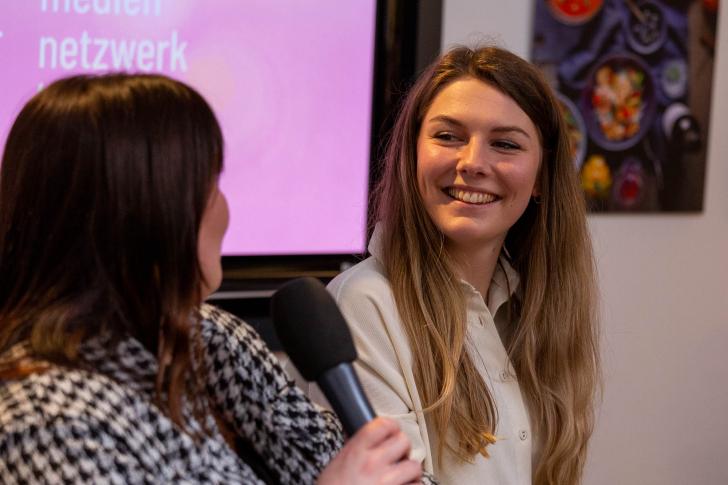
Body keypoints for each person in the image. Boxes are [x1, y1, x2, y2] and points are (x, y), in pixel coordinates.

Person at [0, 74, 427, 485]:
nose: (224, 208)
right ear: (149, 218)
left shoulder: (209, 340)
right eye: (209, 185)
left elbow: (339, 457)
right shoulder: (44, 420)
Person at [326, 46, 600, 485]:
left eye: (505, 144)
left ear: (542, 178)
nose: (472, 163)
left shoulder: (535, 305)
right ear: (412, 155)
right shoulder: (363, 304)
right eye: (448, 136)